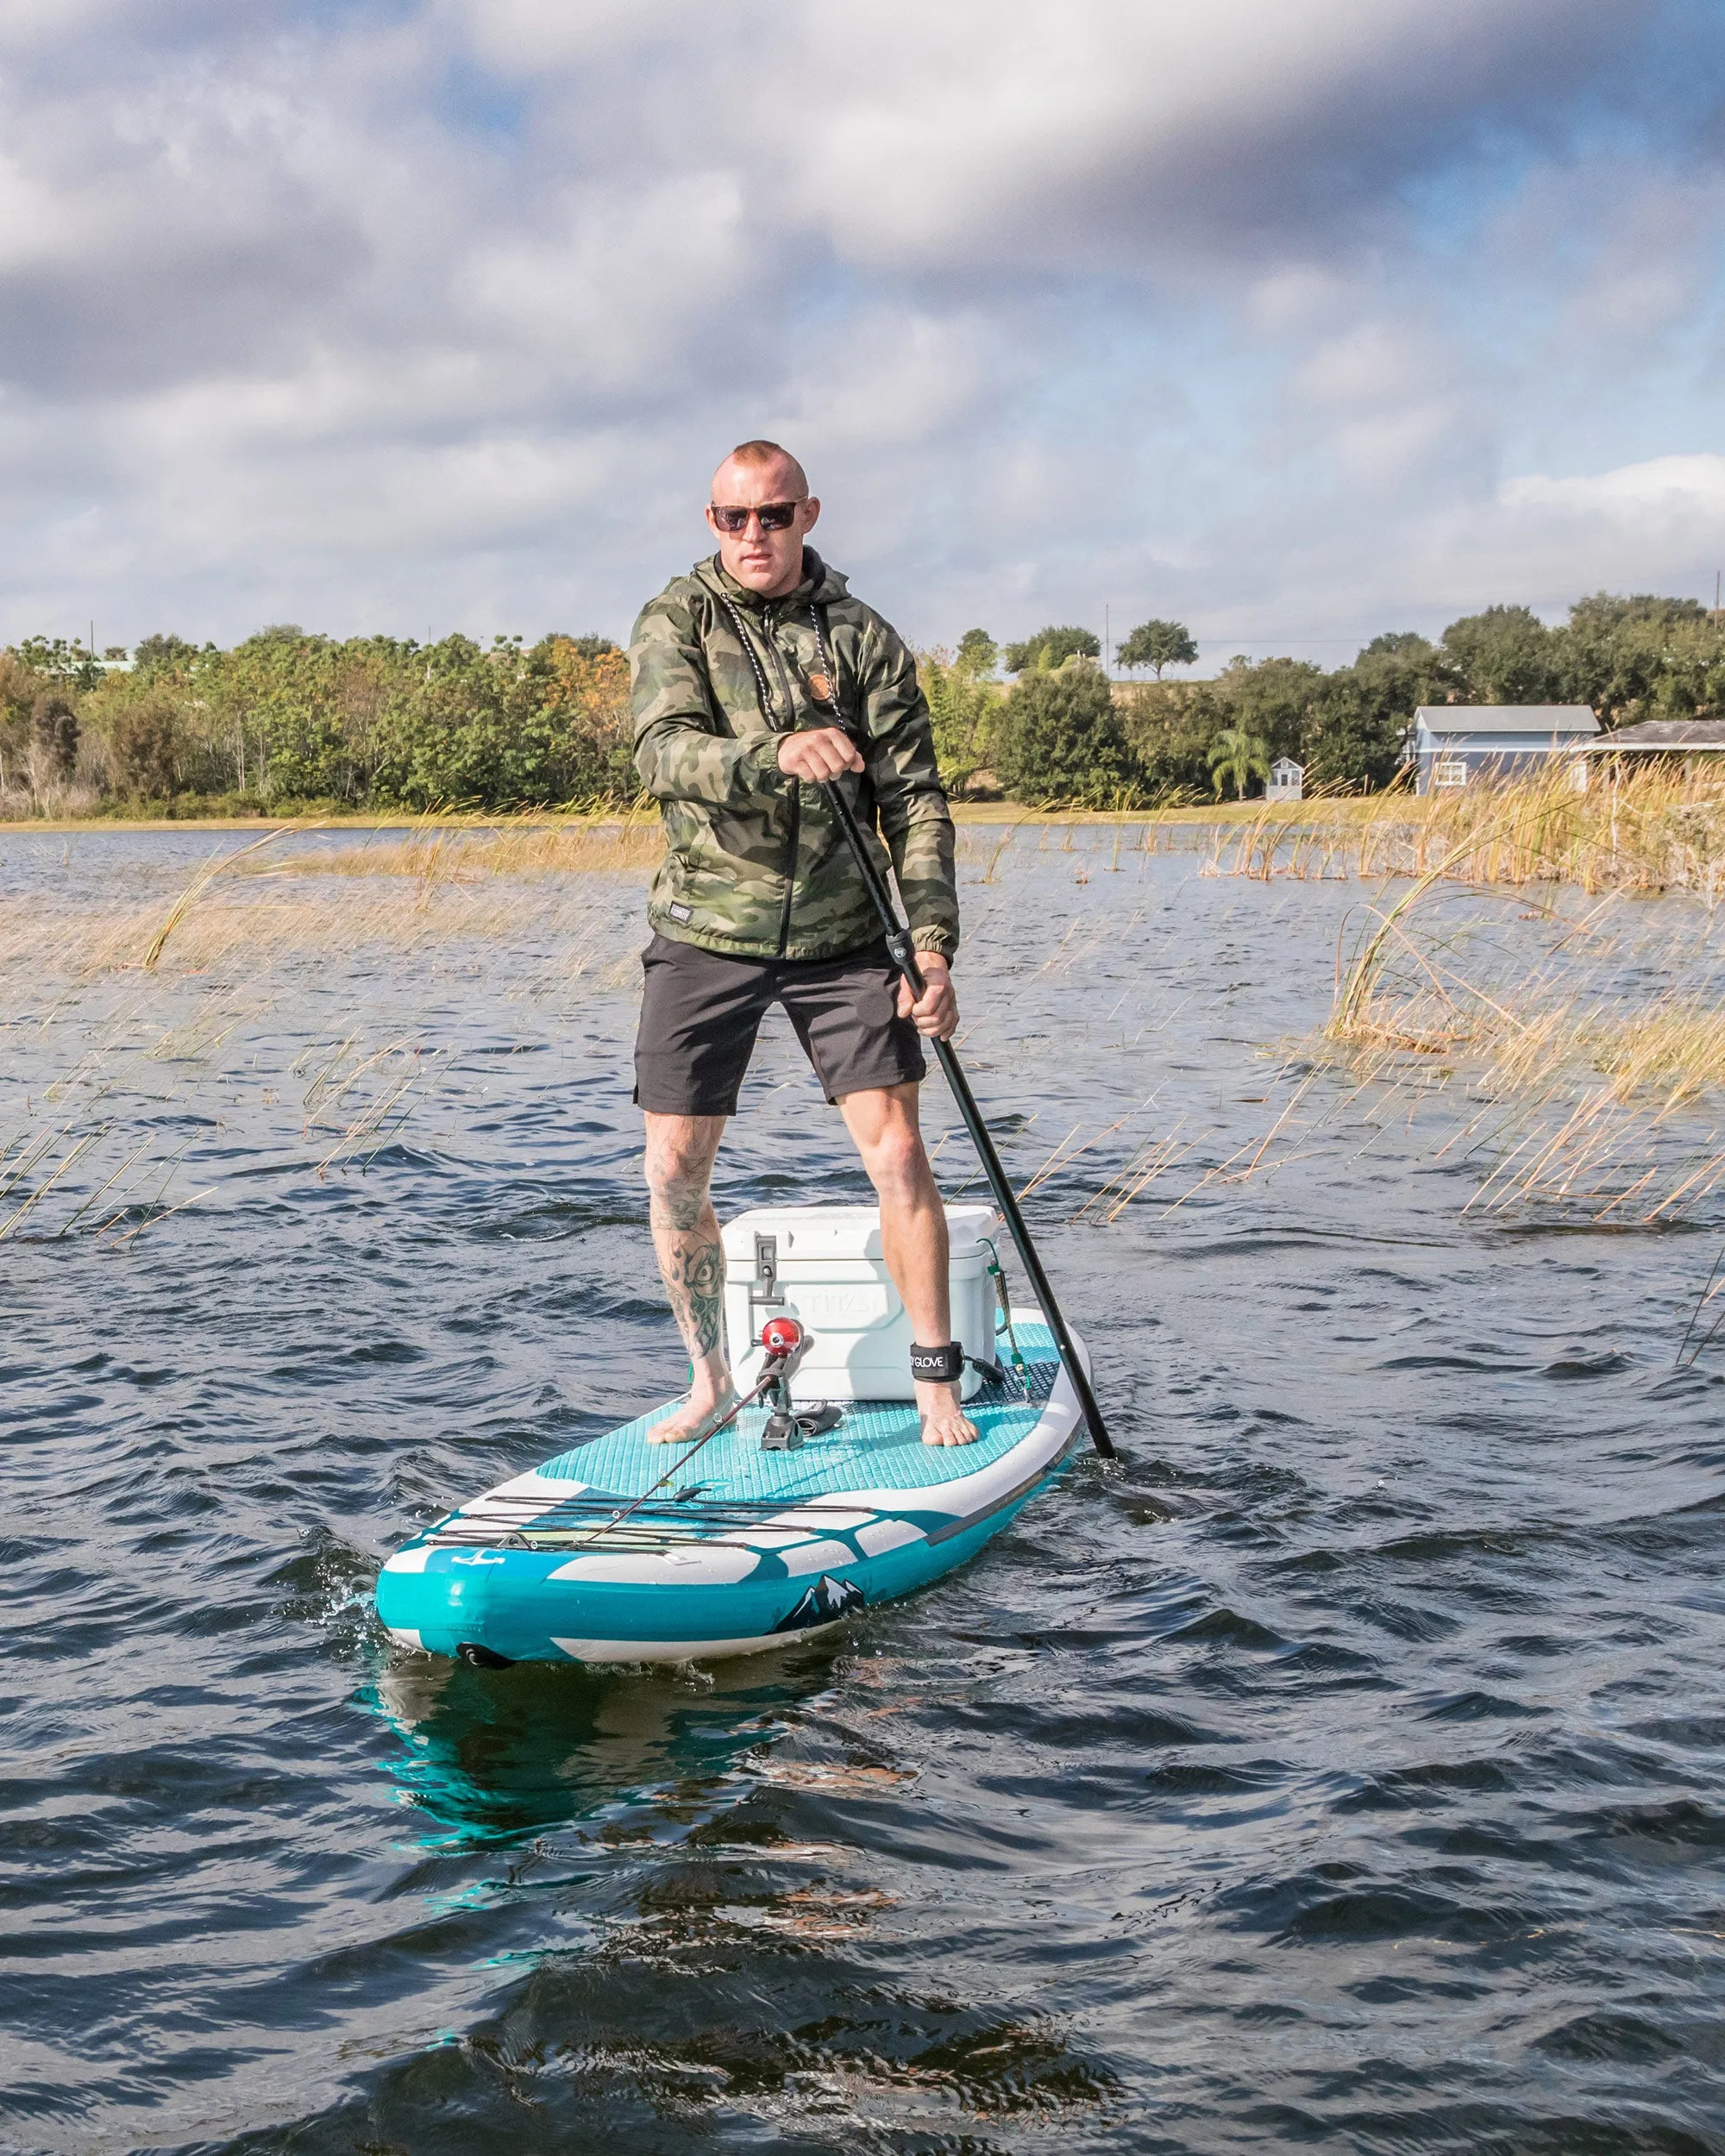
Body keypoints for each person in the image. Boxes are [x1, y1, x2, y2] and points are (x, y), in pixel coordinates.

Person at [628, 438, 975, 1448]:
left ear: (807, 516)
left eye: (772, 516)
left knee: (901, 1149)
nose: (752, 536)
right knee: (673, 1169)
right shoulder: (676, 619)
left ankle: (933, 1382)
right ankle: (708, 1381)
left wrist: (935, 947)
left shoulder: (861, 638)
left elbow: (914, 801)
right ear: (710, 522)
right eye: (733, 518)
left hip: (844, 930)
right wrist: (772, 754)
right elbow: (662, 753)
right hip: (706, 927)